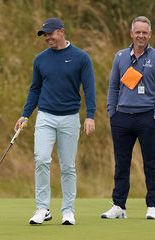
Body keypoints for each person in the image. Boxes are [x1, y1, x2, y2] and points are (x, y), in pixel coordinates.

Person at [14, 17, 96, 225]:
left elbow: (89, 89)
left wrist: (90, 116)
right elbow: (35, 89)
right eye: (44, 35)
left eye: (50, 34)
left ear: (62, 32)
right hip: (46, 117)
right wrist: (25, 115)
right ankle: (42, 208)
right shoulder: (40, 60)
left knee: (68, 166)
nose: (47, 38)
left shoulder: (81, 58)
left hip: (70, 118)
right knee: (41, 160)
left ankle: (68, 210)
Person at [101, 16, 155, 220]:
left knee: (151, 162)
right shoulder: (120, 56)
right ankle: (119, 205)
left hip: (147, 117)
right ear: (131, 33)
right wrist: (111, 112)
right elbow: (113, 86)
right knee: (121, 162)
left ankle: (152, 205)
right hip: (121, 117)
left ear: (150, 35)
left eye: (144, 32)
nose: (141, 35)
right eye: (137, 32)